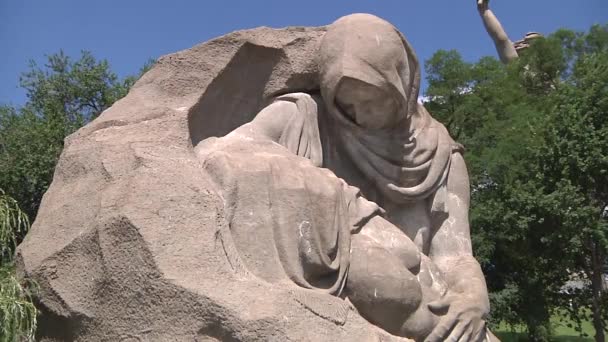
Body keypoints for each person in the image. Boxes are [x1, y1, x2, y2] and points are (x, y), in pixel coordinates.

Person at [197, 13, 492, 341]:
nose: (361, 115)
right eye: (347, 104)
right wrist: (336, 201)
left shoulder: (442, 159)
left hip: (432, 312)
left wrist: (473, 295)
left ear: (401, 83)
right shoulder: (304, 117)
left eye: (373, 100)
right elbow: (225, 153)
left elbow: (453, 254)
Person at [477, 0, 543, 63]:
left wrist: (484, 8)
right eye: (522, 41)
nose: (519, 44)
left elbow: (502, 41)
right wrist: (483, 8)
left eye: (526, 42)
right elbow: (501, 41)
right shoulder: (520, 67)